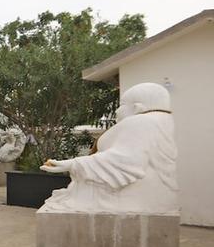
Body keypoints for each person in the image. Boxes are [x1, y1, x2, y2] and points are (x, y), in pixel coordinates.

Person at [40, 82, 179, 214]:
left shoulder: (141, 122)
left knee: (74, 196)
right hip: (154, 193)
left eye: (122, 105)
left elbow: (125, 162)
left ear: (137, 108)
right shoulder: (161, 121)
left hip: (136, 196)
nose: (117, 111)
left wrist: (73, 164)